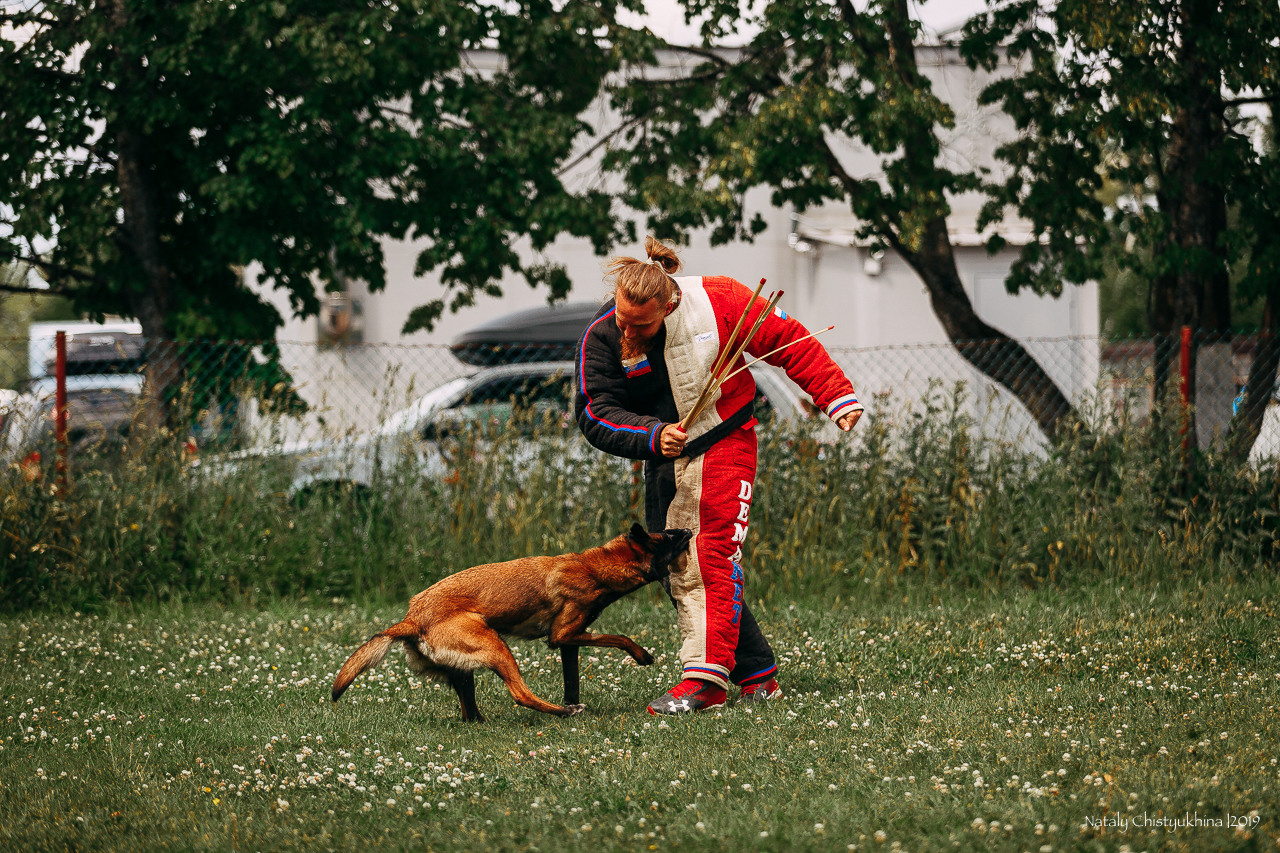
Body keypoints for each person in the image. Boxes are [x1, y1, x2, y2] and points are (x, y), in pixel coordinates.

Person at [574, 236, 863, 715]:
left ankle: (705, 683)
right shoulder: (603, 333)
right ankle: (758, 676)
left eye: (639, 324)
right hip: (664, 454)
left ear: (668, 306)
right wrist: (651, 435)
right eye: (622, 317)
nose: (626, 330)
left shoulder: (722, 299)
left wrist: (836, 397)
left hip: (725, 437)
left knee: (705, 554)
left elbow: (790, 344)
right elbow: (595, 412)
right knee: (670, 566)